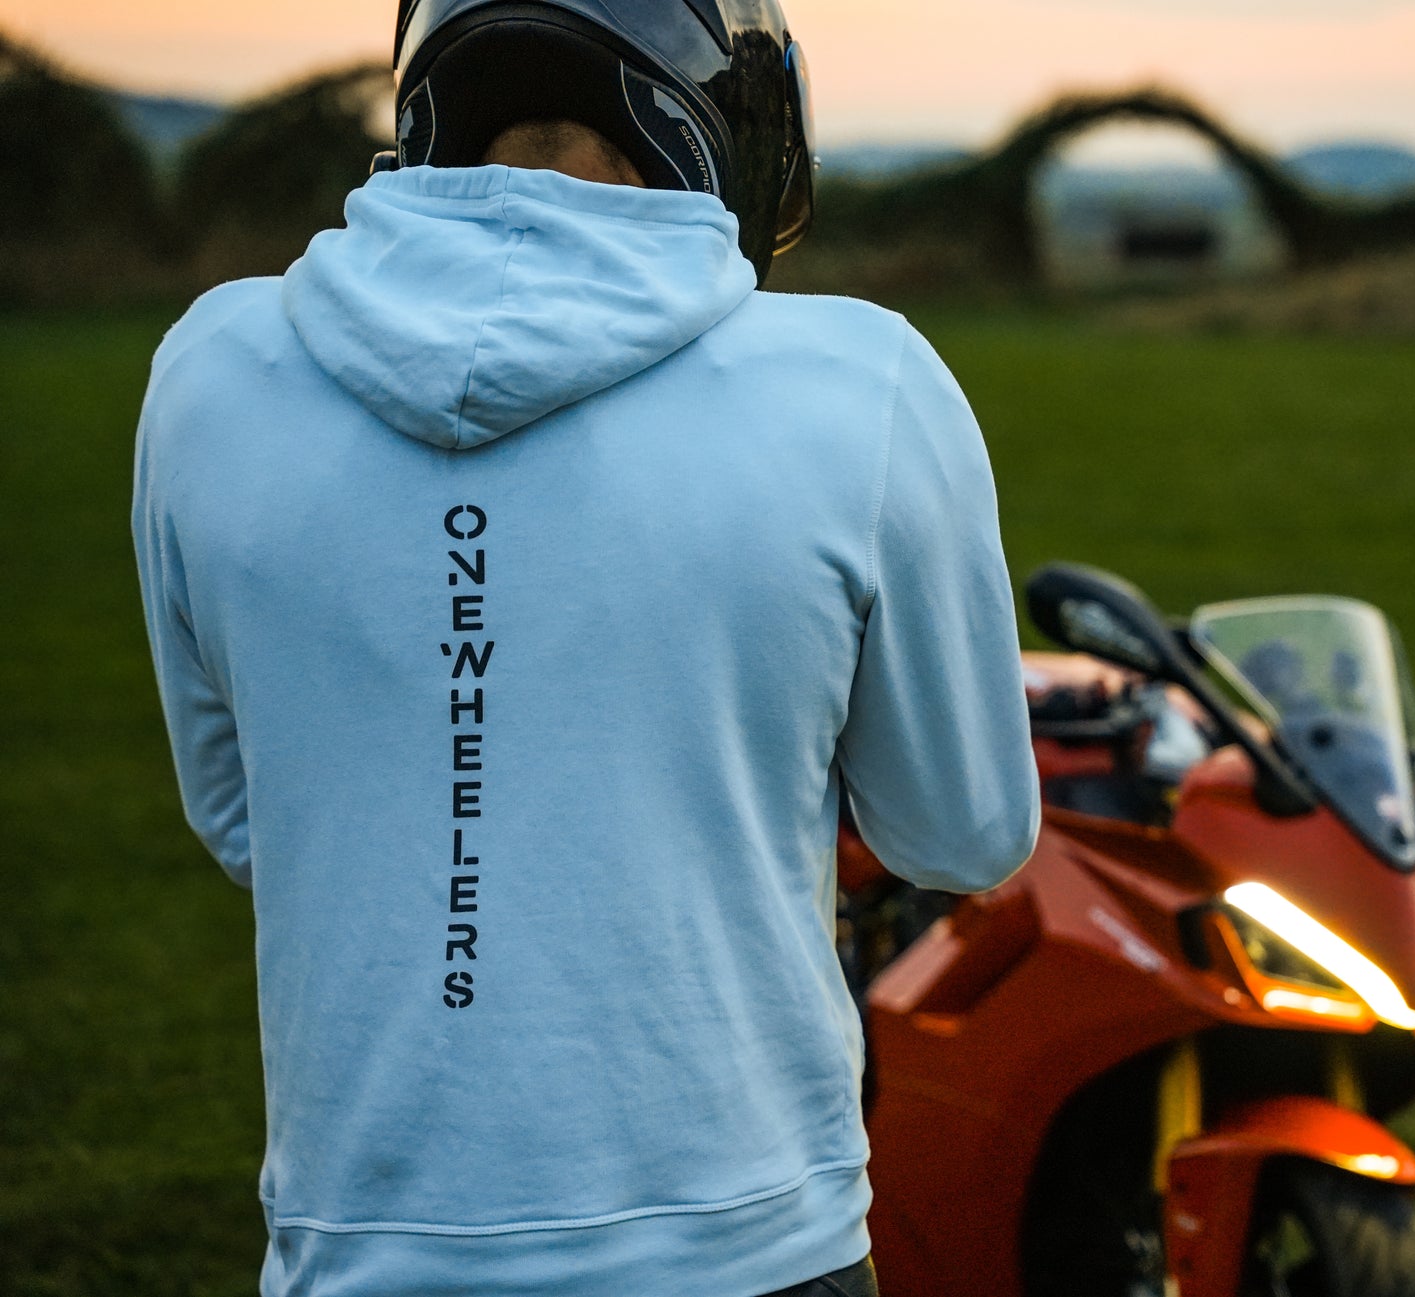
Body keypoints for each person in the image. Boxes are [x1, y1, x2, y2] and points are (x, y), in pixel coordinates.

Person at [129, 1, 1041, 1294]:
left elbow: (244, 819)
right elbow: (964, 833)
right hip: (746, 1238)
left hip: (361, 1243)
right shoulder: (861, 382)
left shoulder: (214, 374)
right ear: (729, 117)